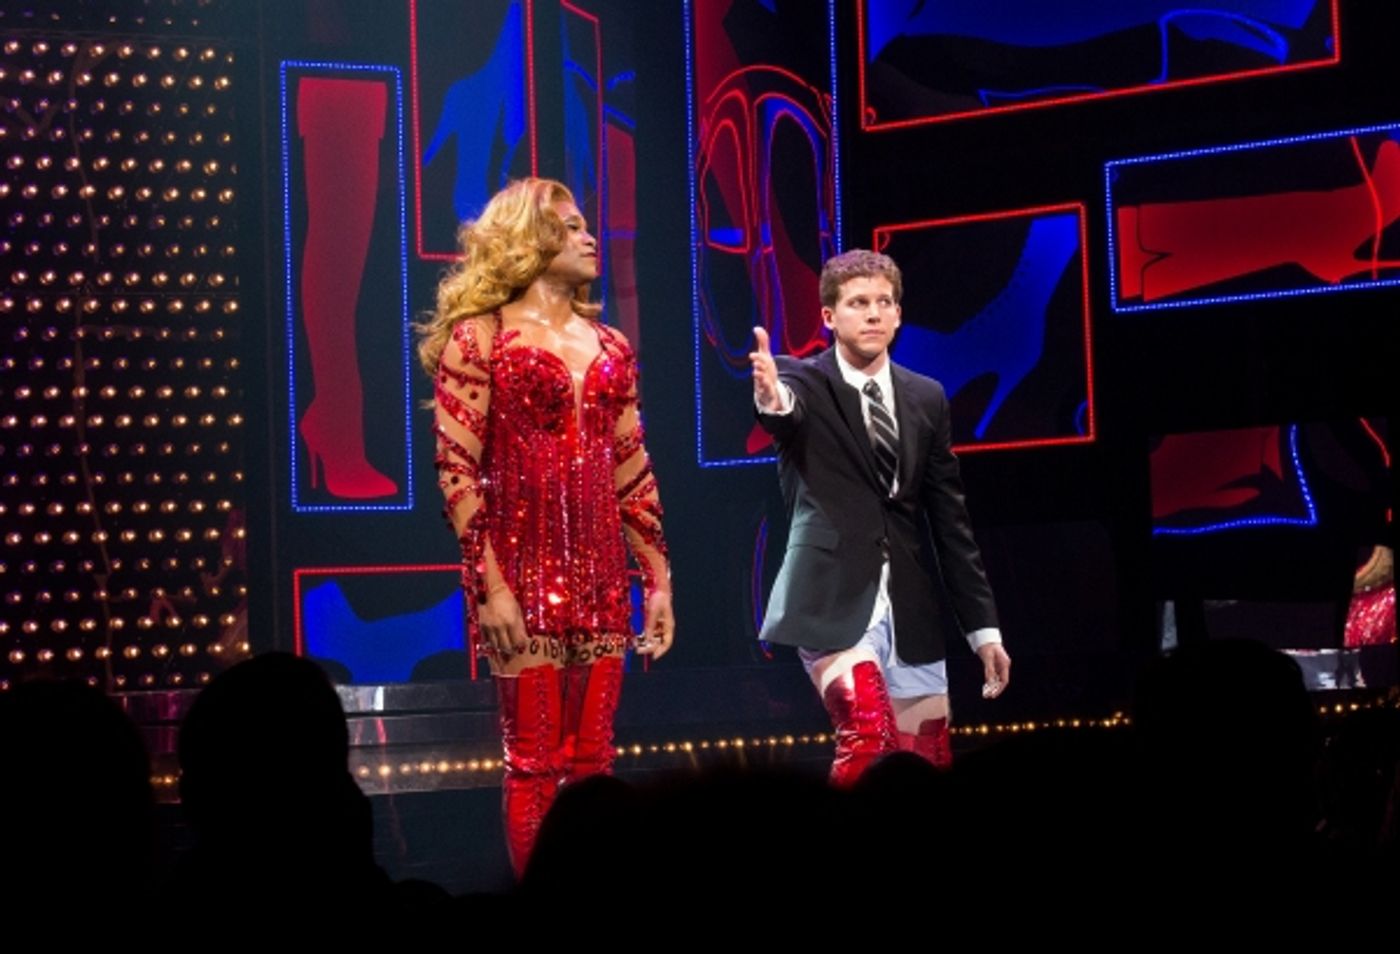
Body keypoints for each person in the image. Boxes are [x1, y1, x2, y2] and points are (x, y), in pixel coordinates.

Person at [419, 178, 673, 874]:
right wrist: (490, 589)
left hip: (601, 576)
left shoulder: (611, 343)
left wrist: (657, 579)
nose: (590, 238)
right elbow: (456, 472)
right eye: (572, 226)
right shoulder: (481, 337)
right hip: (521, 576)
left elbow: (633, 467)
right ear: (529, 239)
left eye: (587, 226)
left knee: (594, 763)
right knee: (533, 763)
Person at [750, 248, 1010, 784]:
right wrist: (772, 398)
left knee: (925, 757)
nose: (873, 314)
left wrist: (983, 630)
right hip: (832, 597)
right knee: (867, 736)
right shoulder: (802, 380)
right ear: (829, 316)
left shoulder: (926, 397)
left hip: (908, 605)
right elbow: (785, 412)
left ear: (898, 313)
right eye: (858, 303)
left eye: (884, 302)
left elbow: (951, 523)